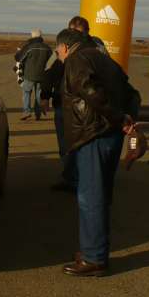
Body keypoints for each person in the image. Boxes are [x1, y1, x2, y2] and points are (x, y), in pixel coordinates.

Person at [55, 28, 141, 277]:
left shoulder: (77, 60)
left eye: (57, 50)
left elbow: (90, 91)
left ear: (65, 47)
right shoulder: (104, 59)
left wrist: (119, 118)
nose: (58, 55)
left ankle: (94, 258)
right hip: (108, 135)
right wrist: (125, 118)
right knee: (99, 195)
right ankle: (92, 250)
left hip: (93, 134)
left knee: (91, 197)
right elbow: (131, 93)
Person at [41, 16, 107, 191]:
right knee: (65, 145)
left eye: (79, 33)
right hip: (63, 103)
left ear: (87, 32)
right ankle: (71, 176)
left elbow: (106, 74)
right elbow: (49, 72)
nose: (75, 37)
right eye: (72, 32)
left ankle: (82, 180)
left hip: (88, 106)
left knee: (85, 144)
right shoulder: (62, 48)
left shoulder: (97, 48)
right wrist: (45, 96)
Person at [14, 29, 52, 120]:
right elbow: (51, 61)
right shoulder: (47, 48)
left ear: (32, 36)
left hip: (29, 75)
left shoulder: (28, 47)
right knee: (38, 95)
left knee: (26, 93)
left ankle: (26, 112)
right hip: (42, 75)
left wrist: (18, 53)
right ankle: (38, 113)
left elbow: (19, 58)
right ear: (41, 36)